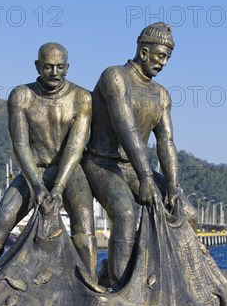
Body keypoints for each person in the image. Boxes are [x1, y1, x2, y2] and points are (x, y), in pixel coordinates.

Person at [0, 42, 97, 299]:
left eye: (60, 67)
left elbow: (75, 147)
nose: (54, 72)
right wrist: (37, 186)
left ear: (68, 68)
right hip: (32, 170)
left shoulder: (81, 98)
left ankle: (91, 287)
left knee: (84, 224)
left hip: (68, 171)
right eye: (48, 66)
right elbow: (20, 145)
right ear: (37, 66)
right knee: (2, 220)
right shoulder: (21, 96)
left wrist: (58, 187)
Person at [83, 23, 196, 289]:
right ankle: (121, 286)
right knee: (125, 214)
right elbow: (126, 129)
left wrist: (172, 186)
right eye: (161, 56)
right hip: (103, 162)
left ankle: (177, 281)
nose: (164, 63)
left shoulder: (161, 95)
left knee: (187, 213)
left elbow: (166, 142)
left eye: (168, 57)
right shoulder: (114, 77)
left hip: (135, 168)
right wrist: (146, 177)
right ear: (144, 52)